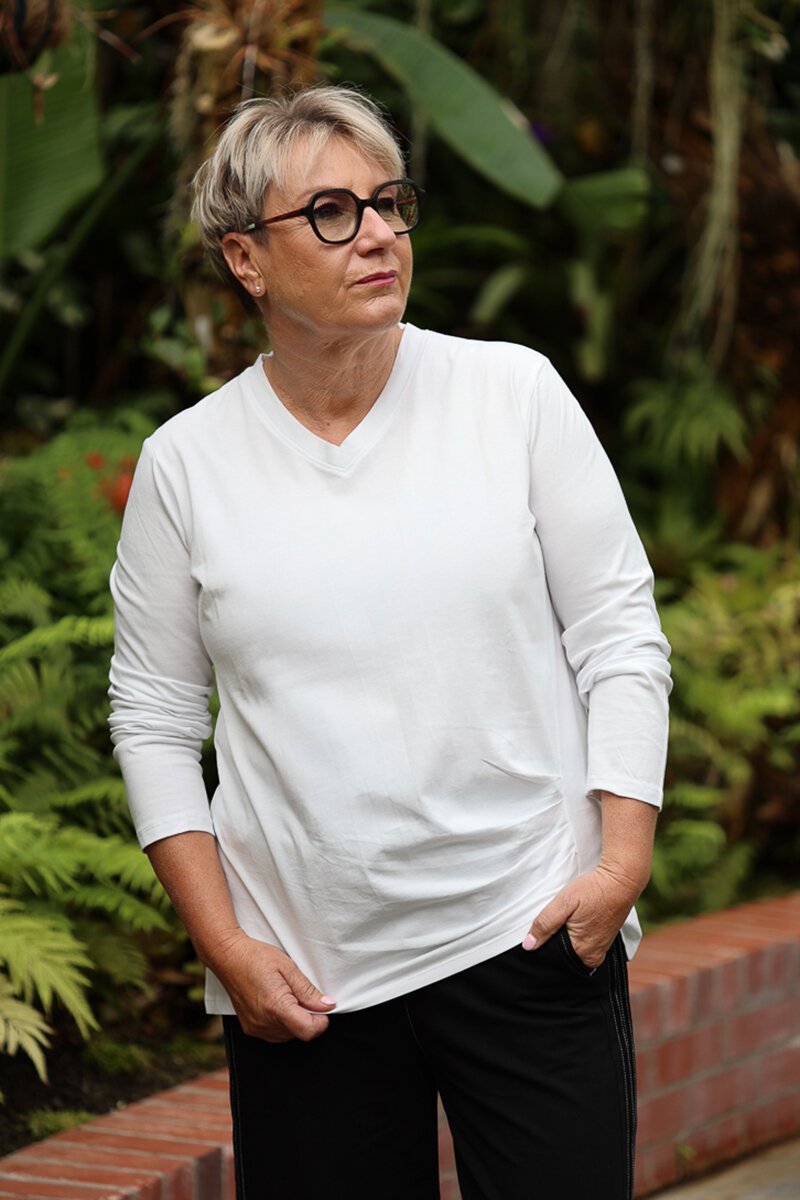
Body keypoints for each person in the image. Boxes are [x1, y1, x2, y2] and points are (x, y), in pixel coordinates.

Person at [108, 84, 671, 1200]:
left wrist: (618, 866)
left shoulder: (510, 393)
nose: (376, 234)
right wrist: (225, 945)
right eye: (331, 212)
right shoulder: (186, 464)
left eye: (388, 202)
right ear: (245, 259)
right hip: (306, 983)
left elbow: (617, 633)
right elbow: (155, 717)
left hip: (528, 932)